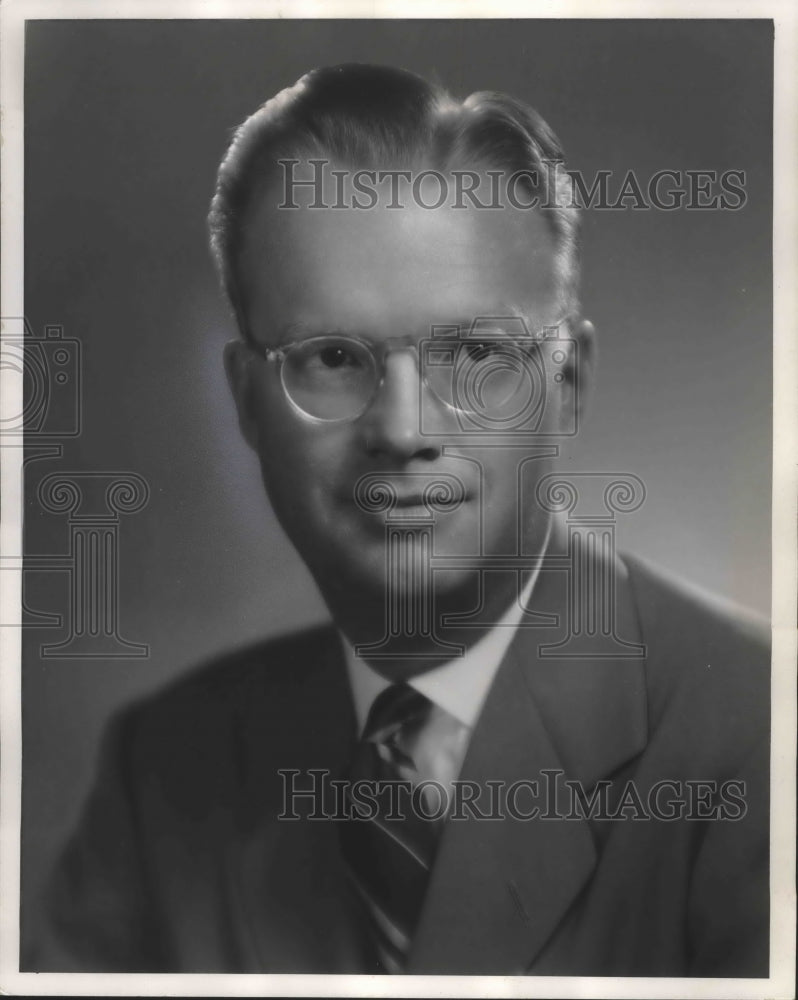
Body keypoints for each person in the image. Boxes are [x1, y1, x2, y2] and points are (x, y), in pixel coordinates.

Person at [27, 63, 769, 977]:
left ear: (566, 387)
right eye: (333, 357)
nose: (404, 429)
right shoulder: (166, 769)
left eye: (474, 354)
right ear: (248, 405)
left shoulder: (765, 739)